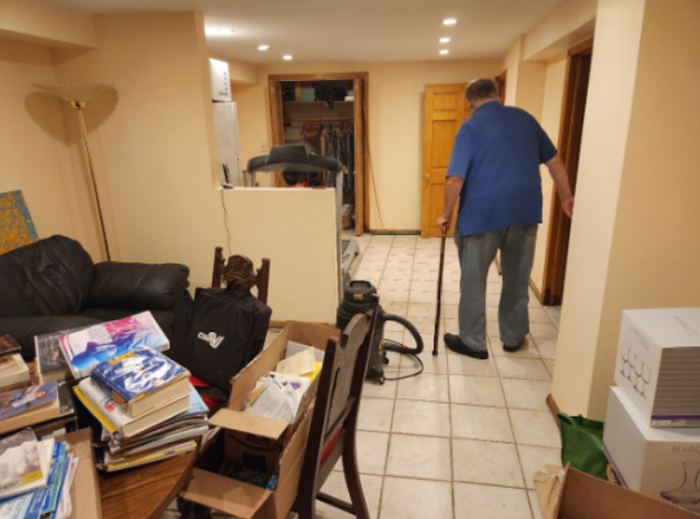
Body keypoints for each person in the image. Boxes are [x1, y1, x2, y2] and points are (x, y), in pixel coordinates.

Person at [438, 78, 574, 359]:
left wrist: (445, 214)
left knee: (473, 282)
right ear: (496, 95)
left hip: (480, 216)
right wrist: (566, 197)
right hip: (524, 212)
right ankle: (513, 338)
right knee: (517, 278)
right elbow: (555, 161)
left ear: (469, 103)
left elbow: (454, 179)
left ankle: (473, 343)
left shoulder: (470, 127)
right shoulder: (525, 119)